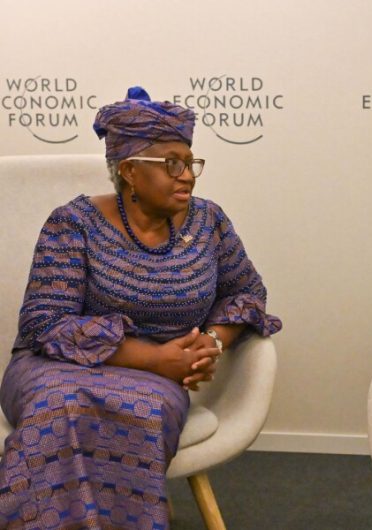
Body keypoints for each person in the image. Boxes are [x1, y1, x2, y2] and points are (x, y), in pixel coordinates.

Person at [0, 86, 282, 529]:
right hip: (55, 368)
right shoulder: (73, 224)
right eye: (172, 164)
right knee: (61, 404)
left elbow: (245, 293)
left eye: (191, 163)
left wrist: (211, 342)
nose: (187, 176)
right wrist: (157, 359)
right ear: (130, 170)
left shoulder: (209, 222)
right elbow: (45, 324)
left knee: (142, 409)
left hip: (156, 382)